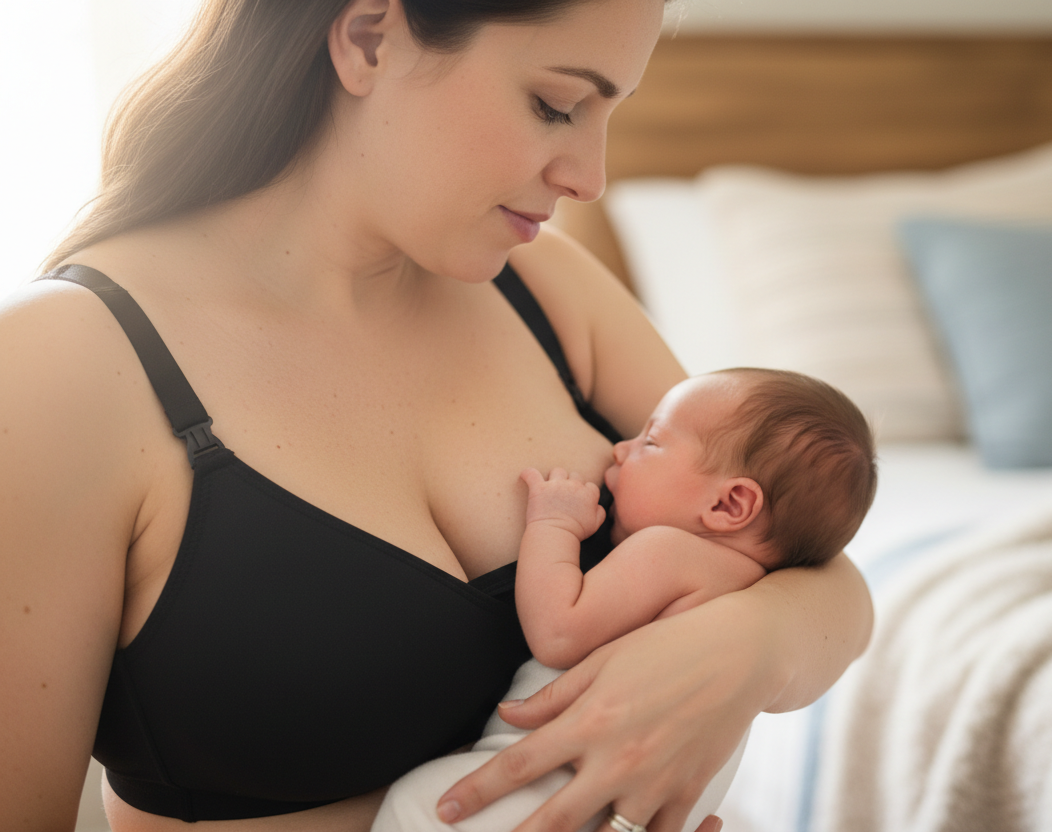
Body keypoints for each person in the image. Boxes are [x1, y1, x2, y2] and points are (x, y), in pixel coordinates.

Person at [0, 1, 874, 830]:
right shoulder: (62, 360)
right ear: (369, 38)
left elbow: (822, 570)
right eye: (557, 104)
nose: (590, 178)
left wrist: (743, 648)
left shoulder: (547, 287)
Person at [372, 368, 877, 831]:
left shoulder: (668, 551)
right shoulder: (754, 582)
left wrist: (554, 524)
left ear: (729, 504)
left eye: (650, 441)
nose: (619, 448)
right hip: (646, 808)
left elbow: (559, 632)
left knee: (418, 808)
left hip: (557, 784)